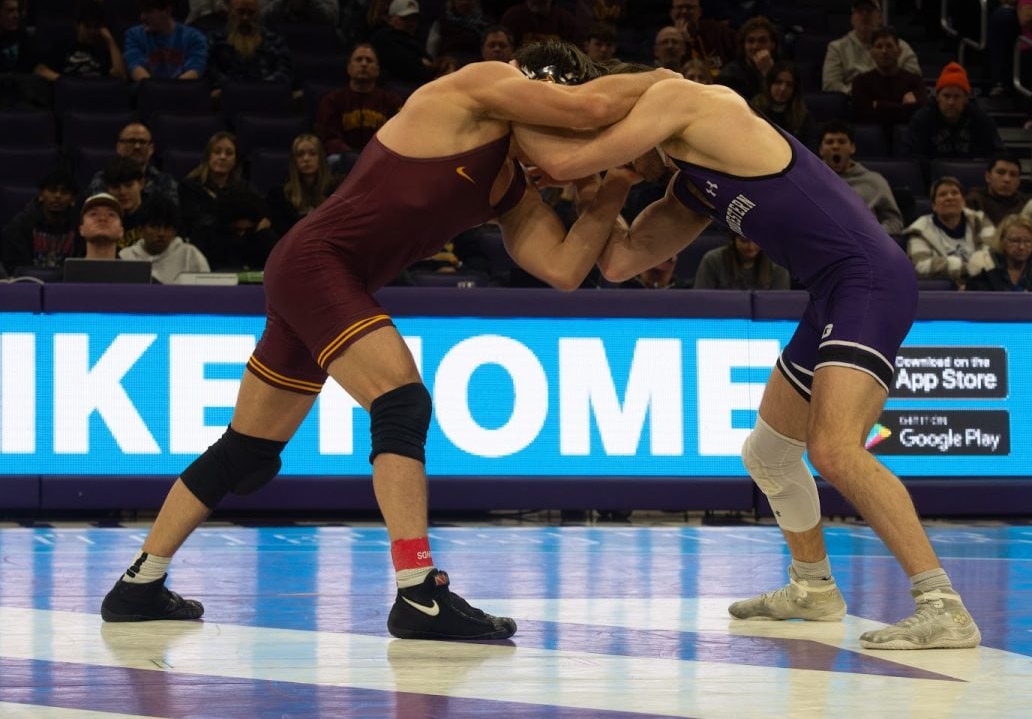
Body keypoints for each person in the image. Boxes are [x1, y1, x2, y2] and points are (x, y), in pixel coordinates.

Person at [98, 41, 675, 642]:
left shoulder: (509, 187)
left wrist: (614, 188)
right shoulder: (477, 86)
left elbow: (562, 268)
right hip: (319, 263)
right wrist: (667, 84)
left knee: (247, 451)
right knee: (401, 403)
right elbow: (586, 112)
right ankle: (418, 593)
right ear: (542, 89)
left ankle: (139, 583)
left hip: (316, 274)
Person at [520, 68, 981, 650]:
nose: (632, 165)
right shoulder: (690, 182)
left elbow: (566, 158)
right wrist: (604, 187)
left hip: (868, 282)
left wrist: (513, 126)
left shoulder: (688, 101)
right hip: (831, 294)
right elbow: (619, 260)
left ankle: (942, 604)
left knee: (834, 450)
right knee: (767, 454)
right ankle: (813, 587)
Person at [899, 63, 1004, 168]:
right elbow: (908, 154)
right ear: (937, 97)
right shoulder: (922, 118)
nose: (951, 102)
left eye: (957, 96)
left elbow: (998, 154)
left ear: (966, 99)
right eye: (946, 96)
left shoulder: (980, 118)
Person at [315, 43, 406, 159]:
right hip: (345, 160)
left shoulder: (392, 102)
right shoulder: (332, 101)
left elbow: (399, 137)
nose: (364, 64)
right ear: (349, 67)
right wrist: (351, 155)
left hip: (380, 159)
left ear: (377, 69)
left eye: (369, 60)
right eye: (359, 59)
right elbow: (328, 138)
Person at [903, 176, 994, 287]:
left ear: (963, 201)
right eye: (942, 194)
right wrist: (965, 267)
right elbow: (921, 266)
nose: (949, 197)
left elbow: (992, 254)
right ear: (934, 206)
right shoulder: (919, 230)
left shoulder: (979, 220)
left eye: (955, 193)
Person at [823, 0, 919, 96]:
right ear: (852, 19)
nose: (864, 15)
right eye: (859, 11)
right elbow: (830, 84)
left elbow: (915, 81)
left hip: (895, 100)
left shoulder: (901, 47)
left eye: (869, 10)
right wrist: (857, 93)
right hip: (853, 103)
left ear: (880, 17)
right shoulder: (837, 48)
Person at [818, 121, 904, 235]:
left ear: (852, 148)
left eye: (841, 142)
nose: (835, 146)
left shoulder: (874, 181)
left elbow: (895, 222)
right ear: (821, 150)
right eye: (829, 142)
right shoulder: (809, 181)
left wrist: (873, 235)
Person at [207, 0, 291, 96]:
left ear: (258, 14)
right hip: (226, 96)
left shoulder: (274, 40)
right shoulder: (215, 39)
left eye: (251, 13)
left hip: (265, 96)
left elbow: (284, 72)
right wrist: (232, 88)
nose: (245, 18)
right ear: (229, 13)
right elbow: (209, 70)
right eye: (240, 12)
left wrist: (257, 89)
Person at [179, 131, 247, 260]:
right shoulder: (189, 186)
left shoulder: (243, 188)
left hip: (235, 251)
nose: (222, 157)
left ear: (235, 160)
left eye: (229, 153)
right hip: (202, 249)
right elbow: (196, 221)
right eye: (217, 151)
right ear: (208, 156)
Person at [1, 169, 78, 276]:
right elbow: (14, 268)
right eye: (52, 190)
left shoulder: (81, 228)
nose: (57, 196)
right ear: (41, 195)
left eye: (64, 192)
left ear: (73, 200)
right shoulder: (18, 226)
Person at [124, 0, 207, 81]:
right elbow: (135, 66)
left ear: (167, 11)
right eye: (142, 12)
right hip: (148, 93)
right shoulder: (134, 35)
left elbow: (195, 69)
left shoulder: (194, 37)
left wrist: (170, 92)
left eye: (148, 11)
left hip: (182, 92)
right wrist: (155, 90)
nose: (142, 17)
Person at [118, 196, 209, 283]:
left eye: (167, 227)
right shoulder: (126, 258)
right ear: (141, 229)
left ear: (175, 231)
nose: (161, 233)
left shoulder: (190, 255)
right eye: (154, 227)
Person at [32, 0, 128, 82]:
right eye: (87, 26)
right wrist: (65, 82)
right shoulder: (64, 46)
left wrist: (110, 41)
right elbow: (40, 70)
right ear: (77, 25)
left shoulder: (103, 50)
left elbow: (121, 77)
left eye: (96, 27)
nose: (92, 31)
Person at [850, 26, 927, 128]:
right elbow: (863, 116)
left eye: (889, 46)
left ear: (899, 51)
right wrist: (904, 108)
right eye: (879, 46)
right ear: (872, 52)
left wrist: (879, 105)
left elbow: (920, 114)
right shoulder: (860, 82)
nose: (884, 51)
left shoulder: (915, 80)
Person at [86, 123, 179, 207]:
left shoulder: (165, 182)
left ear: (151, 149)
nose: (137, 147)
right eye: (131, 141)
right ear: (119, 147)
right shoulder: (103, 178)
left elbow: (169, 217)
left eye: (142, 142)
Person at [266, 133, 339, 236]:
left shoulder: (336, 190)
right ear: (293, 161)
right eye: (300, 155)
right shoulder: (279, 196)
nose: (306, 159)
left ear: (321, 159)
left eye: (313, 153)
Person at [964, 213, 1032, 291]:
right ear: (1002, 241)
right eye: (1015, 241)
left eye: (1027, 241)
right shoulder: (986, 272)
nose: (1022, 247)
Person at [426, 0, 493, 66]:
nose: (465, 2)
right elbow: (431, 53)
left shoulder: (488, 24)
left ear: (477, 0)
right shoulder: (442, 23)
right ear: (453, 0)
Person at [371, 0, 433, 88]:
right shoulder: (383, 37)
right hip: (391, 87)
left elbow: (430, 66)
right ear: (390, 18)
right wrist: (420, 61)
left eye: (414, 19)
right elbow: (408, 67)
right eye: (405, 18)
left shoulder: (416, 40)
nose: (411, 23)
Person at [670, 0, 736, 75]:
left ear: (699, 12)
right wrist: (682, 42)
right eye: (680, 7)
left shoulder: (718, 32)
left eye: (689, 8)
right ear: (672, 13)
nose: (684, 11)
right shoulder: (666, 39)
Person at [694, 232, 790, 290]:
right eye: (744, 240)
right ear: (733, 239)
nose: (750, 247)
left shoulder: (777, 264)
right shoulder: (712, 260)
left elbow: (780, 304)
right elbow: (701, 300)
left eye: (756, 241)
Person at [716, 15, 779, 101]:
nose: (756, 46)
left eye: (762, 41)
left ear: (772, 45)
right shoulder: (730, 74)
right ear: (744, 45)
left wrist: (769, 72)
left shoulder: (784, 70)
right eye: (751, 41)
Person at [750, 61, 812, 145]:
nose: (783, 89)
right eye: (778, 82)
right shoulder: (755, 109)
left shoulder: (802, 116)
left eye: (789, 85)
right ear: (769, 84)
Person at [100, 155, 150, 249]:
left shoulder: (155, 213)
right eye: (115, 187)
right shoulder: (101, 219)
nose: (122, 192)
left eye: (129, 185)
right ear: (107, 189)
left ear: (141, 184)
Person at [77, 192, 123, 260]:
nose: (102, 218)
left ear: (121, 231)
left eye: (111, 214)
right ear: (81, 229)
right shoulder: (67, 270)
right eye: (93, 214)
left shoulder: (135, 270)